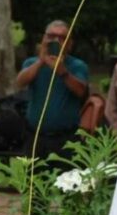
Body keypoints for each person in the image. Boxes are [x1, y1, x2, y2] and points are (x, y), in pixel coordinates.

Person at [15, 20, 90, 157]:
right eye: (51, 36)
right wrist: (41, 61)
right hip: (35, 136)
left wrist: (62, 71)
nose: (56, 41)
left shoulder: (77, 66)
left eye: (62, 38)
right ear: (43, 39)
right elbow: (20, 82)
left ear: (69, 44)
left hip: (65, 138)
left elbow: (81, 91)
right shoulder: (32, 63)